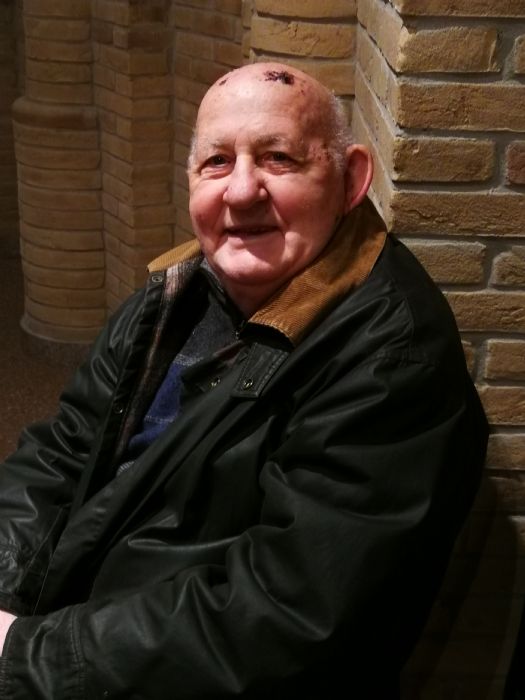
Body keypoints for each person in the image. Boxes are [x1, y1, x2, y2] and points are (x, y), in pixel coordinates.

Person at [0, 62, 487, 698]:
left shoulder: (392, 359)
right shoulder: (177, 290)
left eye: (279, 158)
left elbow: (288, 616)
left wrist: (27, 657)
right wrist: (5, 591)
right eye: (217, 162)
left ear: (351, 180)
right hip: (93, 630)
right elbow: (63, 448)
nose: (240, 191)